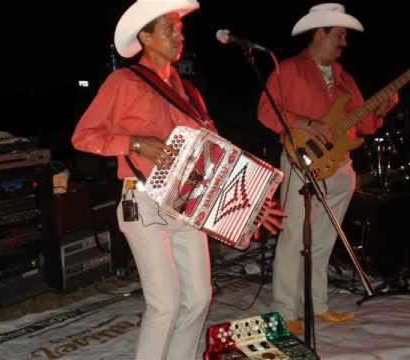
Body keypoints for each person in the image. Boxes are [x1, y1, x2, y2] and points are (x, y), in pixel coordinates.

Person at [72, 1, 284, 358]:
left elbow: (214, 155)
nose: (178, 34)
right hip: (143, 203)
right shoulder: (123, 81)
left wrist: (249, 206)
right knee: (165, 304)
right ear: (145, 37)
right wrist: (136, 143)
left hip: (190, 205)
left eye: (180, 28)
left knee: (200, 298)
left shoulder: (188, 91)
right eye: (168, 28)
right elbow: (83, 137)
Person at [257, 3, 399, 336]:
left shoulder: (344, 77)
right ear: (321, 33)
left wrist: (380, 111)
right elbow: (266, 111)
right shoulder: (289, 69)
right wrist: (306, 123)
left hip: (340, 166)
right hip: (301, 161)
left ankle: (317, 304)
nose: (344, 43)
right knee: (294, 236)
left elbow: (363, 124)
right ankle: (284, 309)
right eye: (339, 35)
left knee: (323, 238)